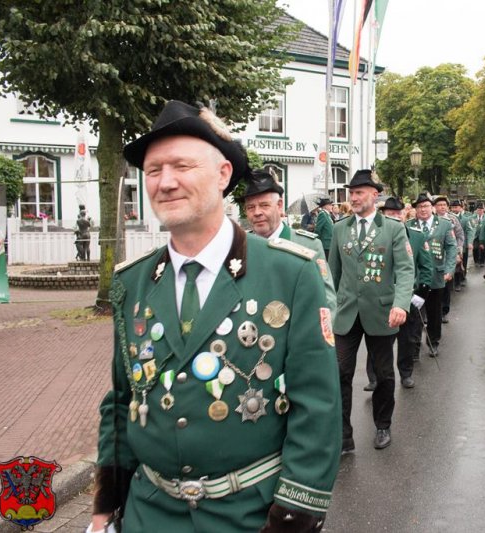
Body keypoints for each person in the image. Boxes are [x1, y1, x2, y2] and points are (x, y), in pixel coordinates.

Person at [90, 100, 341, 533]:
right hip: (149, 514)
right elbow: (121, 403)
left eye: (181, 166)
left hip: (249, 514)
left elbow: (316, 409)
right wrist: (104, 510)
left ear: (224, 174)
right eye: (153, 170)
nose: (165, 182)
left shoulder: (290, 272)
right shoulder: (131, 283)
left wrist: (291, 521)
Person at [329, 170, 415, 452]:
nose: (353, 198)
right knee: (340, 372)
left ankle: (382, 425)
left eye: (359, 193)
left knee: (383, 374)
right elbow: (333, 273)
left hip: (381, 312)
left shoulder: (392, 228)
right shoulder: (340, 228)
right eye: (351, 193)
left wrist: (401, 304)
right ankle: (342, 434)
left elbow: (404, 270)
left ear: (374, 196)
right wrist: (330, 308)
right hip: (346, 313)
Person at [240, 169, 336, 312]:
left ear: (279, 206)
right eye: (250, 207)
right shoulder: (239, 246)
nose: (257, 212)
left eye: (264, 205)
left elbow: (327, 301)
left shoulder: (308, 245)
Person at [366, 197, 433, 390]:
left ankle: (406, 373)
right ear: (383, 215)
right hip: (381, 297)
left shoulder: (417, 236)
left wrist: (421, 294)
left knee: (407, 339)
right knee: (378, 339)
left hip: (408, 296)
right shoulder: (372, 236)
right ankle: (374, 377)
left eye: (398, 214)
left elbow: (426, 267)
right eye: (390, 214)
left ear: (404, 214)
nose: (395, 217)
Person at [407, 193, 457, 357]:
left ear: (432, 208)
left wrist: (449, 269)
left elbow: (451, 247)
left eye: (426, 206)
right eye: (420, 206)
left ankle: (433, 341)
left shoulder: (444, 225)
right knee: (414, 313)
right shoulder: (408, 225)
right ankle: (414, 346)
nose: (423, 209)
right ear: (415, 209)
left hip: (436, 276)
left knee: (434, 312)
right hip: (415, 277)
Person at [434, 196, 464, 322]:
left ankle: (444, 311)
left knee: (445, 286)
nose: (442, 207)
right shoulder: (430, 219)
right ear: (434, 207)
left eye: (444, 205)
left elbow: (460, 235)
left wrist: (458, 251)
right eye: (439, 204)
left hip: (447, 256)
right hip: (433, 256)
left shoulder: (452, 219)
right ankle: (430, 313)